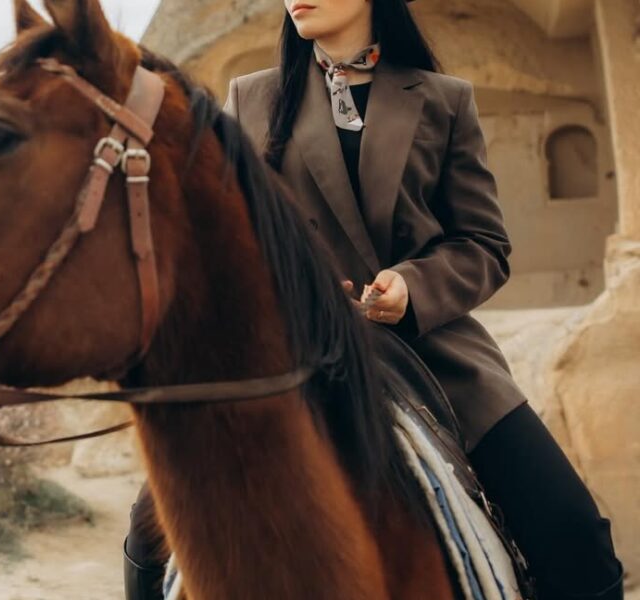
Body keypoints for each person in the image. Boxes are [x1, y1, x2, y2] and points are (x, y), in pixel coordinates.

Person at [123, 1, 625, 598]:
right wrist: (297, 291)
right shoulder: (250, 99)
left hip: (431, 356)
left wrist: (414, 286)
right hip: (290, 353)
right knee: (146, 536)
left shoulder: (444, 100)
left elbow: (484, 245)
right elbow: (221, 244)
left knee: (576, 534)